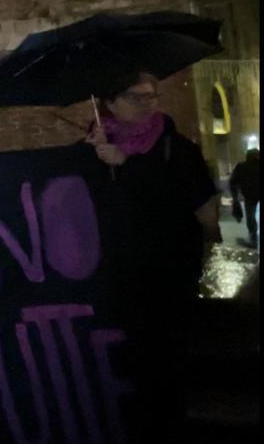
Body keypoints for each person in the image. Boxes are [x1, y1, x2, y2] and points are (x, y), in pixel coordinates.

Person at [85, 71, 219, 440]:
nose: (148, 104)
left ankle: (170, 422)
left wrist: (127, 163)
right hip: (119, 271)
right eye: (136, 97)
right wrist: (94, 157)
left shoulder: (176, 147)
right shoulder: (93, 147)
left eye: (153, 96)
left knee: (168, 352)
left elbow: (195, 203)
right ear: (109, 103)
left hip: (171, 267)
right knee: (130, 355)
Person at [230, 148, 260, 248]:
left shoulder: (242, 166)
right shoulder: (243, 166)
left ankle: (253, 235)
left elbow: (233, 181)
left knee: (250, 215)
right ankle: (253, 235)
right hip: (250, 194)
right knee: (250, 216)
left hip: (249, 195)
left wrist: (235, 196)